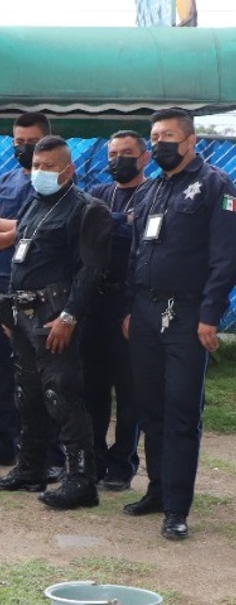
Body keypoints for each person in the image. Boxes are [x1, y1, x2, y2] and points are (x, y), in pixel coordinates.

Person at [124, 107, 236, 540]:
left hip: (188, 315)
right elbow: (138, 252)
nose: (159, 144)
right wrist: (132, 309)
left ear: (190, 141)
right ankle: (156, 490)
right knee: (149, 406)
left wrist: (210, 314)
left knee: (181, 411)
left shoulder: (216, 187)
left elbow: (225, 258)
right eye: (154, 137)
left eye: (168, 136)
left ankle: (177, 507)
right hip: (147, 311)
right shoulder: (151, 189)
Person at [0, 135, 111, 510]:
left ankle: (81, 480)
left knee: (61, 394)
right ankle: (31, 468)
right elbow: (22, 260)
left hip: (55, 314)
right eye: (36, 167)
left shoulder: (86, 209)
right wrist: (9, 309)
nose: (40, 173)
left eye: (49, 167)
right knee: (27, 394)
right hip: (23, 314)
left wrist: (69, 317)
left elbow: (92, 271)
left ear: (69, 170)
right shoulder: (35, 203)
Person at [0, 112, 50, 469]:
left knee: (40, 371)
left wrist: (6, 231)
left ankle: (42, 450)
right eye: (18, 142)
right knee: (3, 367)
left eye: (31, 142)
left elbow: (44, 229)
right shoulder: (4, 181)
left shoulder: (53, 183)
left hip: (41, 287)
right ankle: (4, 441)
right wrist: (18, 231)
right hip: (2, 282)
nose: (23, 148)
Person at [84, 130, 147, 492]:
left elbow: (138, 247)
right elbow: (91, 235)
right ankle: (93, 458)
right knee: (93, 388)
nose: (117, 160)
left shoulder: (153, 193)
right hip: (95, 303)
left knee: (129, 392)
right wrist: (123, 223)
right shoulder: (99, 194)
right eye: (112, 153)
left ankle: (122, 463)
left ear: (144, 158)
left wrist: (111, 225)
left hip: (129, 304)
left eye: (126, 153)